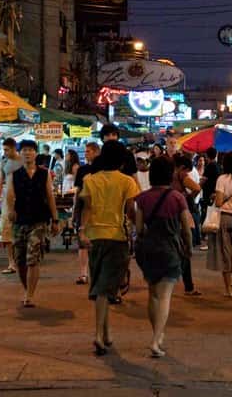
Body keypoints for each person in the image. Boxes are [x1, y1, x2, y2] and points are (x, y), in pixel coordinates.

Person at [78, 140, 139, 355]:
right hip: (117, 237)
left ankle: (105, 333)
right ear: (122, 160)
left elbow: (86, 208)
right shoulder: (127, 182)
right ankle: (98, 334)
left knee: (100, 286)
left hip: (94, 237)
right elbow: (131, 210)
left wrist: (82, 231)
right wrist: (139, 228)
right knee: (105, 289)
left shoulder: (90, 180)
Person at [133, 156, 193, 358]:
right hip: (170, 249)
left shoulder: (142, 198)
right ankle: (156, 340)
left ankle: (157, 334)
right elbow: (186, 229)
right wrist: (189, 248)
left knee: (153, 293)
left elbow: (139, 228)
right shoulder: (177, 197)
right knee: (165, 295)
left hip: (148, 249)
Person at [6, 139, 60, 307]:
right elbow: (9, 194)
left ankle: (29, 295)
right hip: (20, 219)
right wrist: (10, 210)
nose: (27, 153)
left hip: (39, 219)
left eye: (30, 150)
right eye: (24, 150)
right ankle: (27, 289)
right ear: (20, 154)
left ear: (36, 153)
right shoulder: (14, 174)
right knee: (20, 260)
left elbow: (50, 196)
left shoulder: (44, 174)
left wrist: (55, 219)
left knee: (33, 258)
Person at [208, 152, 232, 297]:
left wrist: (216, 196)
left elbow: (218, 202)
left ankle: (228, 290)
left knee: (226, 252)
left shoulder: (222, 179)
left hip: (225, 218)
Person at [0, 137, 23, 274]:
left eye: (7, 149)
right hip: (8, 202)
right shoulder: (3, 163)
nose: (5, 152)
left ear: (14, 148)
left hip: (22, 201)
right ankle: (11, 263)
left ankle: (21, 261)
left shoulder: (23, 161)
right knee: (6, 232)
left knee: (20, 232)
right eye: (3, 150)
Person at [171, 152, 202, 296]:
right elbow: (197, 188)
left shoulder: (168, 174)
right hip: (179, 214)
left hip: (167, 213)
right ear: (183, 168)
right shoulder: (181, 176)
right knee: (184, 248)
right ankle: (188, 286)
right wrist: (189, 197)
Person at [72, 141, 100, 284]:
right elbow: (77, 192)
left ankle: (95, 272)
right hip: (83, 208)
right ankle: (83, 273)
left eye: (88, 151)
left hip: (98, 209)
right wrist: (74, 212)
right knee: (82, 242)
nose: (86, 154)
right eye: (86, 151)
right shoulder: (82, 170)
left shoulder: (102, 170)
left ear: (96, 152)